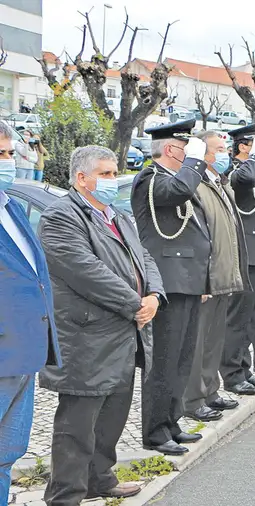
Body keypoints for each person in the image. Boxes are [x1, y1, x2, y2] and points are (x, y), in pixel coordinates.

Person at [39, 145, 163, 505]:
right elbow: (85, 270)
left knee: (112, 417)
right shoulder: (61, 216)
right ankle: (65, 496)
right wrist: (134, 303)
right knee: (77, 426)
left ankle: (100, 478)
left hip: (125, 333)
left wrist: (154, 294)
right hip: (87, 336)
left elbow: (146, 257)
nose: (112, 180)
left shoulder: (118, 216)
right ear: (82, 178)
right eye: (105, 174)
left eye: (114, 173)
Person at [130, 119, 211, 456]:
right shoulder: (150, 180)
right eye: (184, 148)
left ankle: (172, 421)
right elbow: (180, 192)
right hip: (167, 282)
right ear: (169, 149)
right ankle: (155, 431)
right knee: (163, 360)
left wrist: (203, 281)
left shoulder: (173, 178)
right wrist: (195, 162)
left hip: (187, 281)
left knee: (181, 358)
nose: (189, 155)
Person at [0, 120, 61, 503]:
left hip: (23, 355)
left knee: (7, 455)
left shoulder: (11, 207)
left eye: (8, 153)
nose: (8, 162)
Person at [181, 131, 249, 423]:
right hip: (208, 276)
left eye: (225, 149)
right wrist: (202, 278)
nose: (225, 154)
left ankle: (210, 391)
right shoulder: (195, 185)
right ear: (204, 153)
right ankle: (192, 399)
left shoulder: (220, 183)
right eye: (219, 149)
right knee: (198, 342)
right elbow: (196, 236)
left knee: (214, 340)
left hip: (224, 273)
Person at [220, 123, 255, 396]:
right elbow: (245, 181)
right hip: (247, 253)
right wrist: (254, 157)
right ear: (243, 146)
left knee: (252, 318)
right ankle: (231, 374)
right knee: (238, 318)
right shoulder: (235, 171)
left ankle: (244, 367)